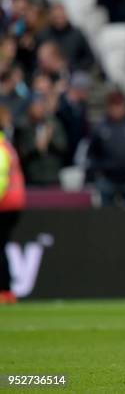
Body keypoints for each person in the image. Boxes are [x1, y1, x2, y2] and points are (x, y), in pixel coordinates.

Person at [87, 91, 125, 208]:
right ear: (109, 107)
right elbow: (92, 152)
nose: (117, 110)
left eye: (120, 106)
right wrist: (97, 169)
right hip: (107, 178)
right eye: (115, 106)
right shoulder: (101, 128)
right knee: (106, 216)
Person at [0, 106, 26, 304]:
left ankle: (4, 290)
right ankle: (6, 291)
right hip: (15, 202)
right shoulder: (6, 144)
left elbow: (1, 179)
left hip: (5, 203)